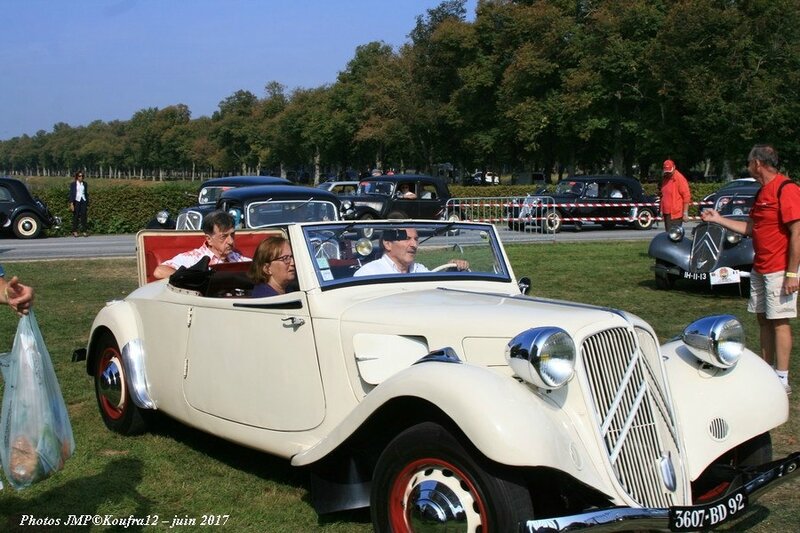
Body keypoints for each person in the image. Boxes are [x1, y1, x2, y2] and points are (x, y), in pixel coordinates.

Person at [701, 144, 800, 395]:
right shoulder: (761, 192)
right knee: (763, 319)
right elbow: (750, 228)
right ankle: (767, 371)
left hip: (779, 269)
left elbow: (797, 233)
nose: (747, 166)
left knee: (779, 321)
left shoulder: (786, 189)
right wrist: (717, 219)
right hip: (761, 268)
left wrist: (791, 273)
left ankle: (782, 378)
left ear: (757, 163)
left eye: (748, 162)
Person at [153, 211, 250, 280]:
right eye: (223, 236)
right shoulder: (192, 258)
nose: (230, 241)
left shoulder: (237, 259)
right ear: (209, 239)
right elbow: (160, 271)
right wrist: (194, 278)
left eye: (232, 234)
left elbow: (257, 268)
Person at [354, 228, 469, 276]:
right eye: (407, 239)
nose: (414, 245)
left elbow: (436, 289)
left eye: (416, 239)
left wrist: (451, 270)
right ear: (388, 244)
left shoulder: (419, 270)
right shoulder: (369, 273)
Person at [660, 160, 691, 231]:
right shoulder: (665, 178)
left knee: (674, 236)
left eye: (669, 172)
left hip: (676, 214)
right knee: (667, 235)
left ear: (674, 167)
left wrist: (685, 213)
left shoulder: (680, 179)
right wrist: (662, 209)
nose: (668, 173)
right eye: (666, 172)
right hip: (667, 213)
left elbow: (686, 196)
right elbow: (663, 195)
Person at [68, 170, 89, 237]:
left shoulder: (85, 184)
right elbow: (71, 194)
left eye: (82, 176)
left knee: (84, 216)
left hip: (83, 201)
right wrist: (71, 204)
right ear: (77, 177)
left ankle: (84, 231)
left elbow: (85, 193)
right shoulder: (73, 184)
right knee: (76, 216)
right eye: (79, 176)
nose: (81, 177)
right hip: (76, 201)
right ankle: (74, 231)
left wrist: (87, 201)